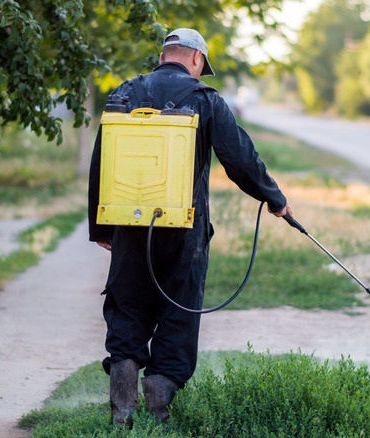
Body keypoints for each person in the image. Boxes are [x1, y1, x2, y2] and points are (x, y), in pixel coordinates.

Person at [87, 28, 293, 426]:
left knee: (128, 308)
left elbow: (101, 162)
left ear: (164, 55)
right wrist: (274, 197)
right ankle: (159, 403)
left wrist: (101, 228)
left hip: (130, 224)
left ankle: (122, 412)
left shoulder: (124, 94)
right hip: (185, 231)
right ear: (197, 59)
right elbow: (240, 158)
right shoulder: (204, 99)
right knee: (180, 312)